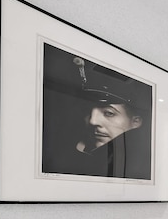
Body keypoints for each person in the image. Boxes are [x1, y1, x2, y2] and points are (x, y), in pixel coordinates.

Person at [41, 44, 152, 180]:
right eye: (88, 111)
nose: (93, 121)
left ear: (136, 121)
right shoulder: (64, 155)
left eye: (109, 113)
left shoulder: (142, 166)